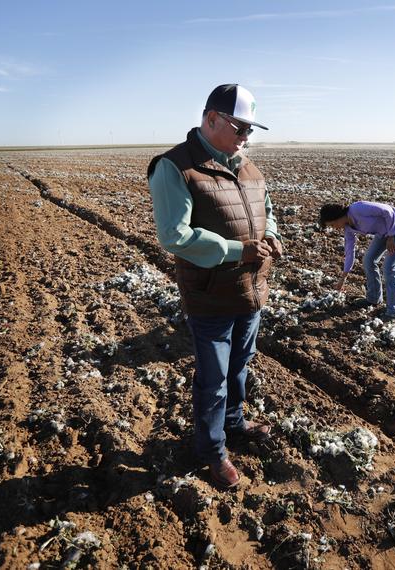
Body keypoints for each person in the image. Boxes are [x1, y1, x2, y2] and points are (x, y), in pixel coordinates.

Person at [147, 84, 282, 489]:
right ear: (211, 119)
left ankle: (235, 424)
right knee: (214, 379)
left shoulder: (247, 167)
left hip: (251, 289)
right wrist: (236, 250)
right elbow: (174, 235)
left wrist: (271, 234)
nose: (246, 137)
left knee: (240, 367)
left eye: (250, 130)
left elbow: (267, 210)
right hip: (210, 293)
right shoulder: (175, 166)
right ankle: (212, 450)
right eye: (240, 127)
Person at [319, 201, 395, 320]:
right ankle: (373, 298)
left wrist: (391, 235)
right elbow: (349, 252)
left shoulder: (358, 209)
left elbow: (387, 211)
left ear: (337, 217)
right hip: (383, 233)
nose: (335, 228)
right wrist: (343, 278)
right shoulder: (348, 228)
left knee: (389, 268)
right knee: (368, 260)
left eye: (333, 224)